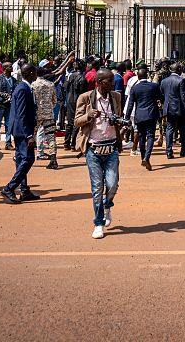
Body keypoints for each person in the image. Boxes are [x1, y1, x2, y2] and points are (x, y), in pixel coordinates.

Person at [74, 69, 123, 239]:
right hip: (93, 149)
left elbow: (119, 118)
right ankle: (98, 222)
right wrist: (88, 116)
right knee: (97, 188)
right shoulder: (86, 98)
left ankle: (107, 205)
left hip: (111, 147)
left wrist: (118, 122)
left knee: (112, 184)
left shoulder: (116, 97)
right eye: (109, 81)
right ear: (99, 82)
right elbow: (76, 120)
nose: (112, 83)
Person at [0, 64, 39, 204]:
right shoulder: (23, 88)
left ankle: (24, 190)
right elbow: (21, 114)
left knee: (21, 159)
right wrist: (29, 135)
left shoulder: (23, 87)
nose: (36, 74)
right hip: (23, 131)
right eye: (34, 71)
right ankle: (9, 188)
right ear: (29, 73)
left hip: (19, 129)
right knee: (28, 159)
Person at [125, 66, 163, 170]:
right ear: (147, 75)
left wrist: (127, 117)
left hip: (139, 115)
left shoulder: (135, 88)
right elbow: (161, 97)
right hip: (151, 114)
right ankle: (147, 157)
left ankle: (143, 158)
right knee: (150, 136)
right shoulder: (153, 86)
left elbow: (130, 104)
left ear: (138, 76)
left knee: (141, 136)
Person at [159, 63, 185, 159]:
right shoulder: (181, 80)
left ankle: (169, 151)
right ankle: (184, 150)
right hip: (179, 108)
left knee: (169, 129)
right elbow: (183, 97)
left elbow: (161, 94)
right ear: (179, 70)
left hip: (168, 108)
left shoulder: (164, 81)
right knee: (183, 130)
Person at [32, 61, 59, 169]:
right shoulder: (51, 84)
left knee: (30, 135)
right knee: (51, 137)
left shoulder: (33, 85)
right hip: (48, 114)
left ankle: (23, 156)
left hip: (36, 115)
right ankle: (53, 160)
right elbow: (54, 100)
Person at [64, 59, 88, 151]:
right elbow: (83, 93)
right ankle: (73, 144)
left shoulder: (70, 76)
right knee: (77, 122)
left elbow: (65, 87)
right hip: (77, 102)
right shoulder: (82, 78)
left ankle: (67, 143)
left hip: (69, 100)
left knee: (69, 122)